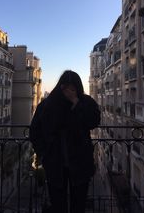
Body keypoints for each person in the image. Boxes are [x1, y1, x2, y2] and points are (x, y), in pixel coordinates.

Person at [30, 70, 100, 213]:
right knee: (58, 206)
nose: (69, 92)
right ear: (60, 87)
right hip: (55, 165)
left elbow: (94, 121)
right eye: (66, 88)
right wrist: (44, 154)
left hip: (80, 166)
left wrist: (77, 104)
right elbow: (35, 132)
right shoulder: (47, 105)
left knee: (78, 205)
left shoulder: (86, 102)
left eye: (73, 89)